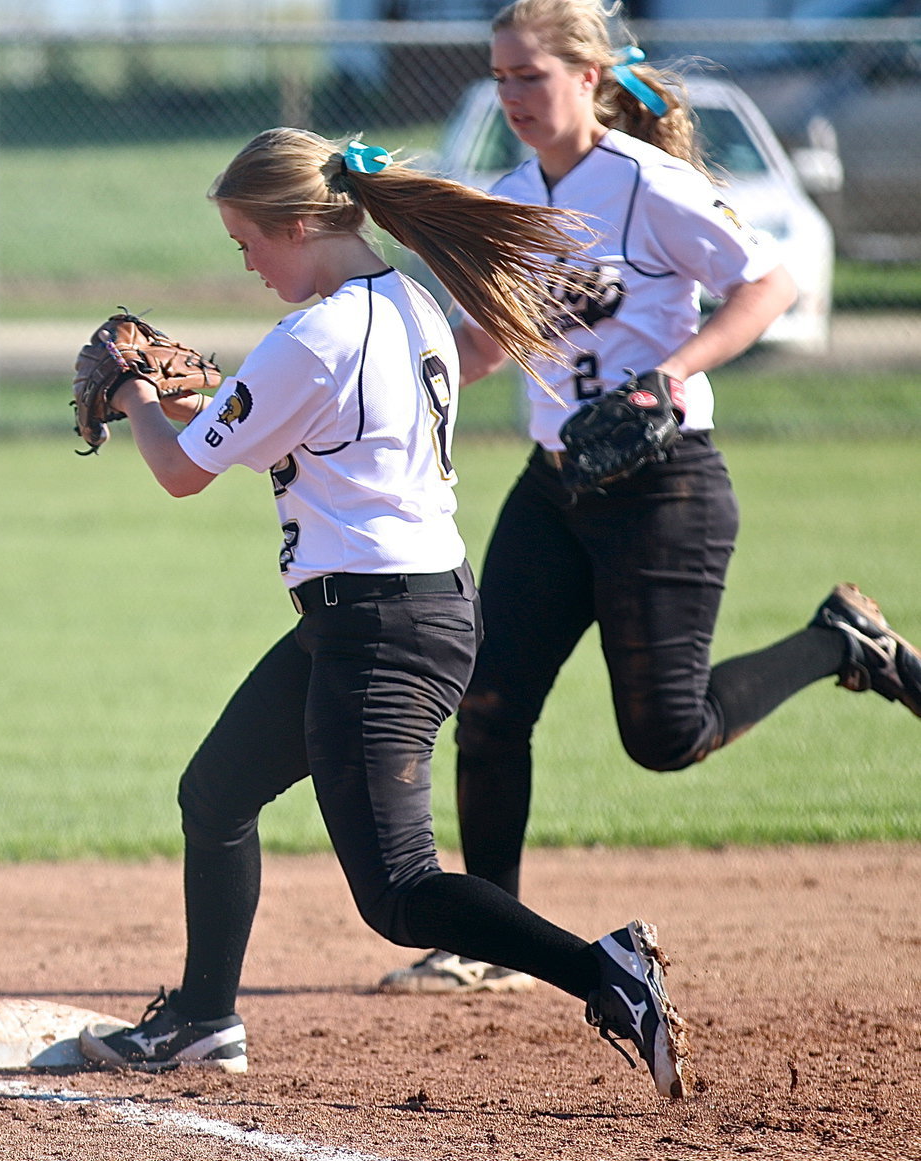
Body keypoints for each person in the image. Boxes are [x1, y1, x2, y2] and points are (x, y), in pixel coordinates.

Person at [76, 126, 692, 1099]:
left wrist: (131, 390)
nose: (246, 263)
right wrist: (204, 390)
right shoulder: (405, 303)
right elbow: (292, 409)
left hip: (382, 626)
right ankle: (201, 1021)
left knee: (401, 894)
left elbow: (177, 470)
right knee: (217, 793)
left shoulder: (316, 335)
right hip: (383, 613)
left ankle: (605, 972)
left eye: (248, 242)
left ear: (297, 223)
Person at [378, 0, 921, 997]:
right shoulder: (506, 197)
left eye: (529, 76)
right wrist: (390, 384)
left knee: (664, 738)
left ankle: (840, 642)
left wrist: (672, 372)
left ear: (588, 77)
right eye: (499, 79)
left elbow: (770, 283)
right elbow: (487, 342)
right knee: (489, 705)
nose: (513, 97)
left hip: (663, 490)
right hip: (554, 486)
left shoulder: (648, 184)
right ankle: (487, 939)